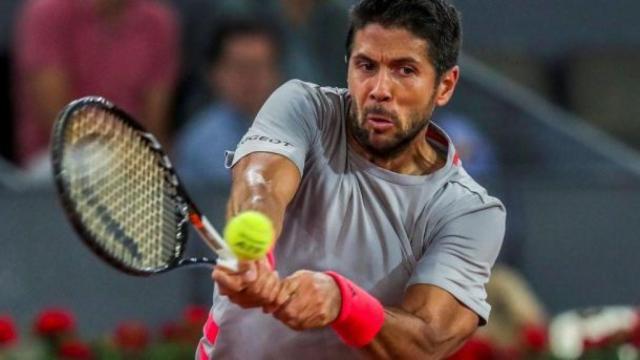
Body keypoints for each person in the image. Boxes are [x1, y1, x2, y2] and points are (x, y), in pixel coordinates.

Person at [201, 0, 506, 358]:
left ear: (445, 85)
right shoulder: (302, 107)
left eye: (404, 70)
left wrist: (342, 303)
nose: (379, 89)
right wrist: (257, 252)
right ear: (348, 67)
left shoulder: (469, 213)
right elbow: (261, 182)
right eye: (366, 65)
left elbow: (429, 340)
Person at [13, 0, 179, 173]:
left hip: (135, 157)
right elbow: (59, 118)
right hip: (58, 156)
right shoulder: (48, 11)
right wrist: (120, 148)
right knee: (101, 165)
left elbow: (156, 122)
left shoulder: (157, 20)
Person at [174, 19, 282, 186]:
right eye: (241, 67)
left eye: (259, 67)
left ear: (276, 73)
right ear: (215, 74)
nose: (251, 77)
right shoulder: (201, 140)